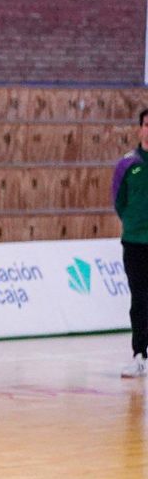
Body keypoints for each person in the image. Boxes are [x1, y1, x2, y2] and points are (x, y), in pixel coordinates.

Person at [113, 108, 148, 378]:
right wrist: (134, 224)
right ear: (140, 128)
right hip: (135, 242)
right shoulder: (128, 164)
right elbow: (119, 201)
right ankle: (139, 355)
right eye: (146, 125)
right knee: (139, 299)